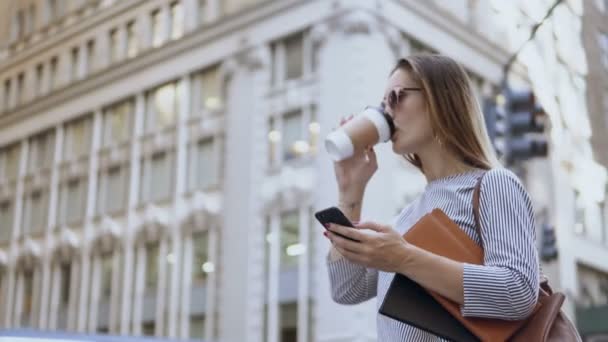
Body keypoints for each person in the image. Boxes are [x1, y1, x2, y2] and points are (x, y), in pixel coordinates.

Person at [324, 54, 540, 341]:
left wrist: (403, 258)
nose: (387, 112)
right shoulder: (407, 215)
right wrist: (350, 191)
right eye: (383, 104)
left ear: (440, 100)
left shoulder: (493, 184)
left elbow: (519, 291)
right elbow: (347, 290)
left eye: (396, 97)